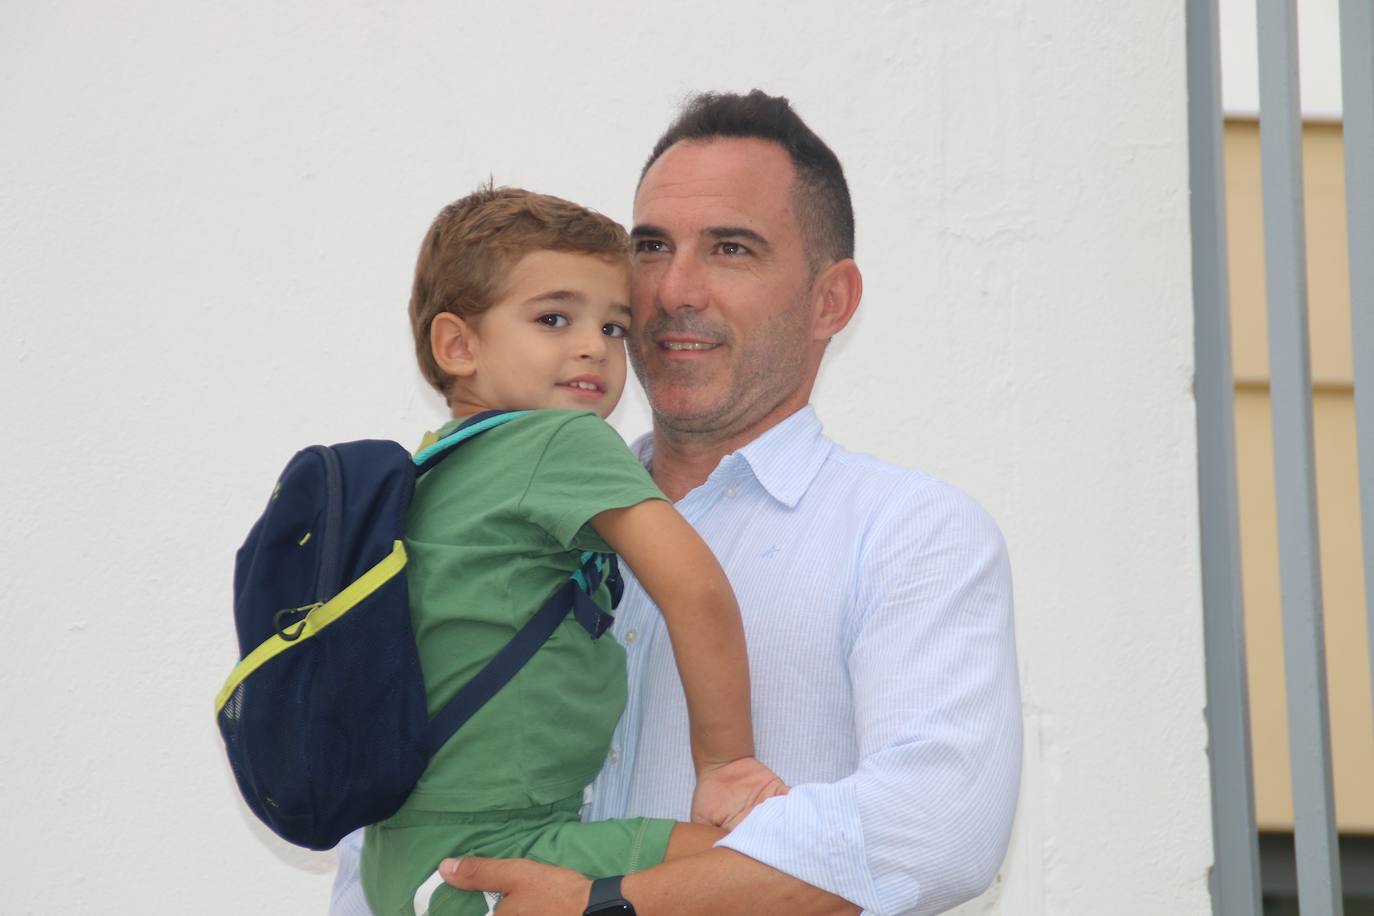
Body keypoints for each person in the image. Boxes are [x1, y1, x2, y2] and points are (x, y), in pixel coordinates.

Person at [333, 90, 1021, 916]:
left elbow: (936, 829)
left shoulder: (911, 532)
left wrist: (609, 903)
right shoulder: (486, 514)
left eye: (731, 248)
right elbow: (381, 813)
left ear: (829, 300)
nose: (674, 289)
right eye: (652, 247)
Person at [357, 186, 785, 916]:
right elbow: (694, 589)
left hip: (404, 862)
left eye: (615, 327)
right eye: (554, 318)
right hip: (501, 852)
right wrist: (724, 764)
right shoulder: (561, 440)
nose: (592, 345)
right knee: (774, 869)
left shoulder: (431, 469)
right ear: (458, 346)